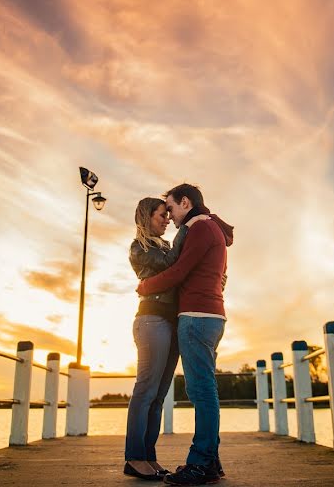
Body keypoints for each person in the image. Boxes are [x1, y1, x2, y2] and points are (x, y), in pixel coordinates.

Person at [138, 184, 233, 486]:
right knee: (204, 390)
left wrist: (145, 287)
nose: (169, 214)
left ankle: (200, 463)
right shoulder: (209, 228)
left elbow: (179, 272)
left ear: (185, 202)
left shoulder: (200, 228)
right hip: (208, 315)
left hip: (197, 317)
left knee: (201, 391)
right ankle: (211, 463)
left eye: (171, 206)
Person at [124, 196, 194, 480]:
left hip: (171, 322)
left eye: (168, 215)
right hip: (151, 321)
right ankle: (133, 457)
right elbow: (171, 263)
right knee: (145, 391)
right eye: (161, 215)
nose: (167, 219)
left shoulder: (165, 244)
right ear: (146, 217)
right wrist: (188, 228)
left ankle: (149, 457)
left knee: (159, 396)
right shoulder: (139, 247)